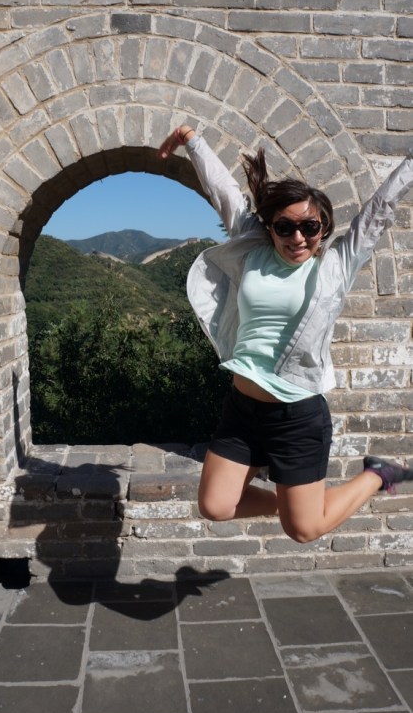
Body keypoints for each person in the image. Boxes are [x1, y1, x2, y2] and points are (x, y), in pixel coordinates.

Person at [158, 125, 413, 543]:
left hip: (297, 418)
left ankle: (377, 475)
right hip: (242, 410)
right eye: (285, 227)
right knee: (216, 505)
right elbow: (225, 193)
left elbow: (378, 211)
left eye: (309, 227)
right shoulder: (253, 250)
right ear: (271, 227)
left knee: (304, 529)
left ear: (323, 228)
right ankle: (296, 502)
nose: (297, 237)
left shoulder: (334, 267)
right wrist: (193, 141)